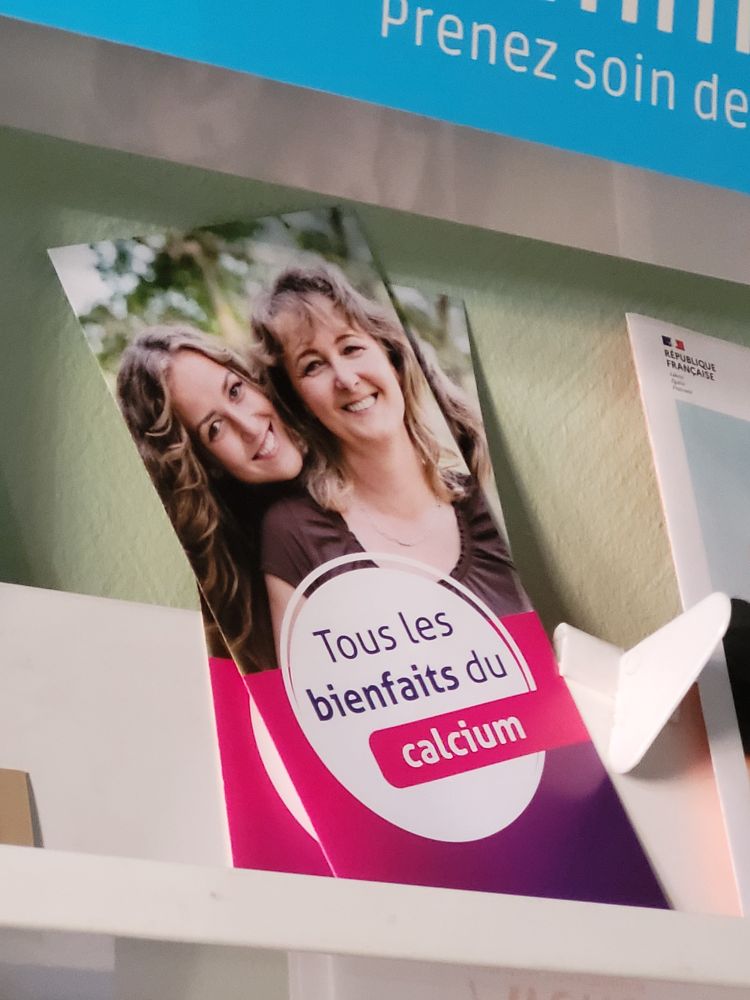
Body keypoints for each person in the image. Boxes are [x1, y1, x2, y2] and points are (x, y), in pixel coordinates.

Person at [251, 265, 531, 650]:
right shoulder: (294, 534)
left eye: (351, 348)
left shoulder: (487, 490)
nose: (346, 379)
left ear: (393, 358)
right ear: (298, 402)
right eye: (312, 365)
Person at [116, 324, 304, 672]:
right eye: (214, 429)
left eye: (235, 391)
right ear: (205, 465)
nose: (249, 426)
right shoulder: (252, 574)